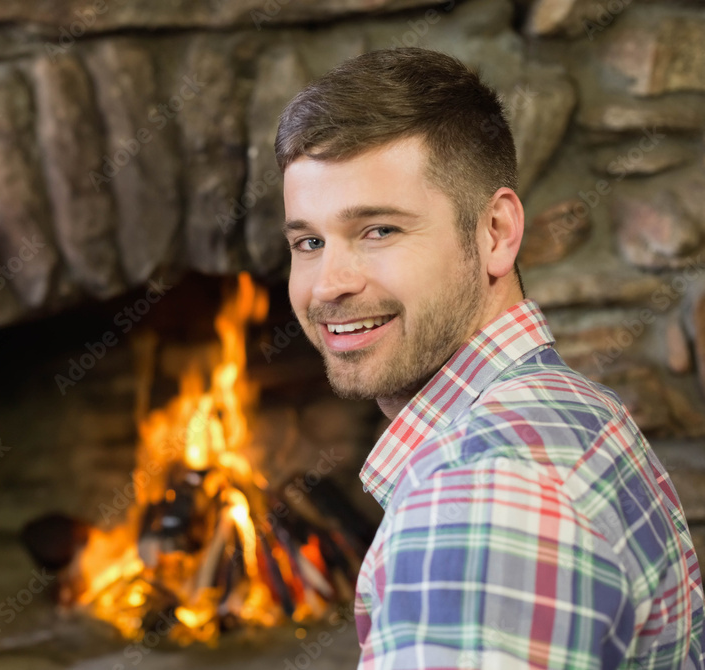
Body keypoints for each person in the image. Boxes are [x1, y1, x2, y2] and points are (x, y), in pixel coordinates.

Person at [276, 47, 704, 669]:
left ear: (496, 232)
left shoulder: (478, 497)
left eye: (379, 230)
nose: (327, 284)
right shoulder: (573, 409)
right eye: (309, 241)